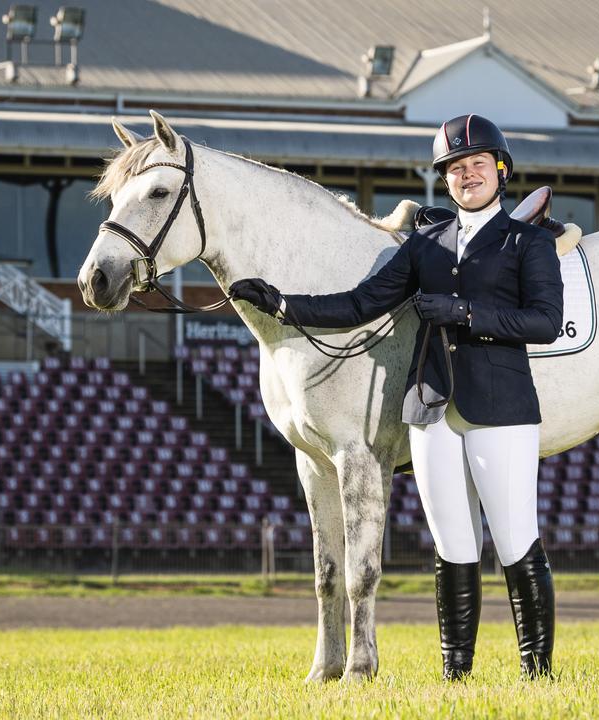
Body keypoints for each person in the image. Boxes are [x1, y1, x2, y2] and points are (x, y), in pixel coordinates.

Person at [230, 114, 564, 680]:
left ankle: (538, 671)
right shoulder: (425, 244)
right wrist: (284, 305)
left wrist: (463, 313)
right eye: (456, 169)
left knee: (513, 539)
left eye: (478, 164)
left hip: (501, 408)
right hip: (431, 409)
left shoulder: (527, 241)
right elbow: (360, 304)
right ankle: (455, 673)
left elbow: (545, 322)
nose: (467, 176)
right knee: (453, 544)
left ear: (501, 171)